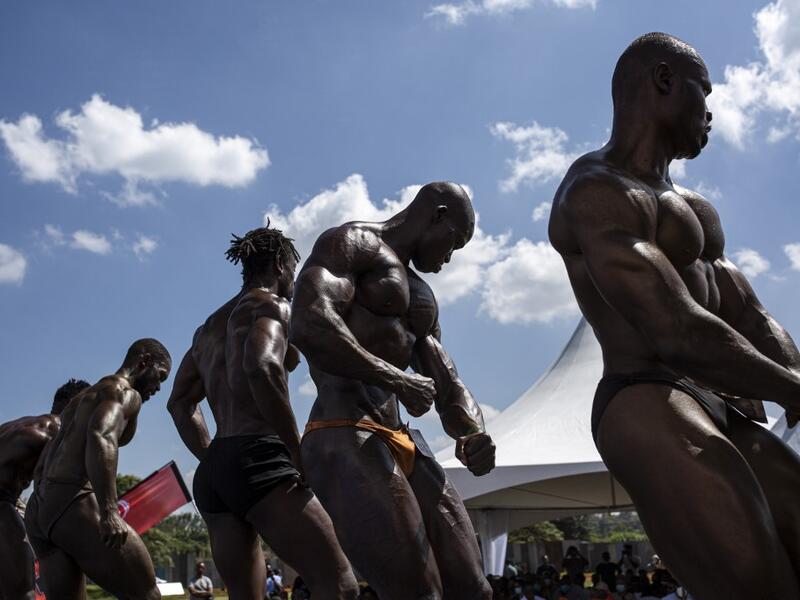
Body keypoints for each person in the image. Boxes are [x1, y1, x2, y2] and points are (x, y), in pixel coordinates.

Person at [549, 31, 800, 599]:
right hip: (644, 392)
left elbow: (751, 316)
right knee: (761, 584)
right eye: (703, 92)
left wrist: (791, 379)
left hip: (714, 399)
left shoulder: (696, 211)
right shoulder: (597, 191)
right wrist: (792, 386)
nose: (710, 114)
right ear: (664, 80)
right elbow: (675, 329)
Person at [291, 181, 496, 599]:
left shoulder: (421, 295)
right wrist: (395, 377)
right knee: (418, 594)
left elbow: (445, 380)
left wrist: (473, 433)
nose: (449, 258)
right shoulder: (352, 244)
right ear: (437, 214)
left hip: (401, 437)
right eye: (454, 241)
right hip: (344, 428)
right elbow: (309, 322)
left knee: (475, 588)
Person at [167, 226, 358, 600]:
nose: (295, 279)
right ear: (280, 263)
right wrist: (296, 450)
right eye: (293, 268)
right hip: (260, 458)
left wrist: (214, 457)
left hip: (217, 471)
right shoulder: (271, 305)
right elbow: (261, 366)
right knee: (340, 585)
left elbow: (179, 403)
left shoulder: (206, 330)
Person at [25, 339, 171, 600]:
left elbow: (45, 461)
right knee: (147, 595)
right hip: (72, 500)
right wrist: (109, 511)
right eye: (159, 376)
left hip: (40, 510)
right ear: (144, 362)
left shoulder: (80, 400)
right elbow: (101, 435)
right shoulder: (124, 392)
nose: (158, 387)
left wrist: (45, 504)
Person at [0, 378, 89, 600]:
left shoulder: (17, 425)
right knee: (22, 590)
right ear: (76, 404)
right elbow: (58, 489)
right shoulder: (59, 429)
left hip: (7, 499)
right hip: (2, 500)